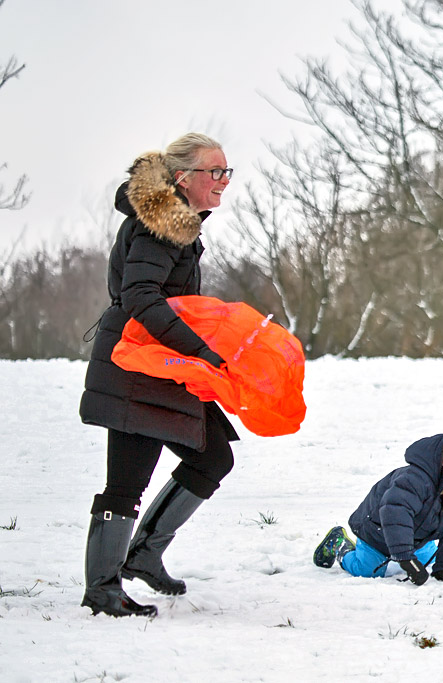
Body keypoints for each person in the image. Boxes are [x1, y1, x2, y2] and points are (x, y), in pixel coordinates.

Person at [78, 133, 237, 617]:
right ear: (184, 177)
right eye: (215, 172)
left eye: (228, 172)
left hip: (159, 365)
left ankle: (144, 554)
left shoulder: (179, 225)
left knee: (212, 458)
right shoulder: (160, 226)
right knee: (126, 483)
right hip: (135, 367)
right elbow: (141, 297)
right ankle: (102, 590)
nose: (223, 182)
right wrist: (200, 351)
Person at [313, 426, 443, 584]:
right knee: (367, 571)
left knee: (431, 561)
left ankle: (406, 553)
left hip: (417, 539)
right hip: (376, 532)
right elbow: (395, 513)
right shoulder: (415, 481)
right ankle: (340, 546)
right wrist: (405, 558)